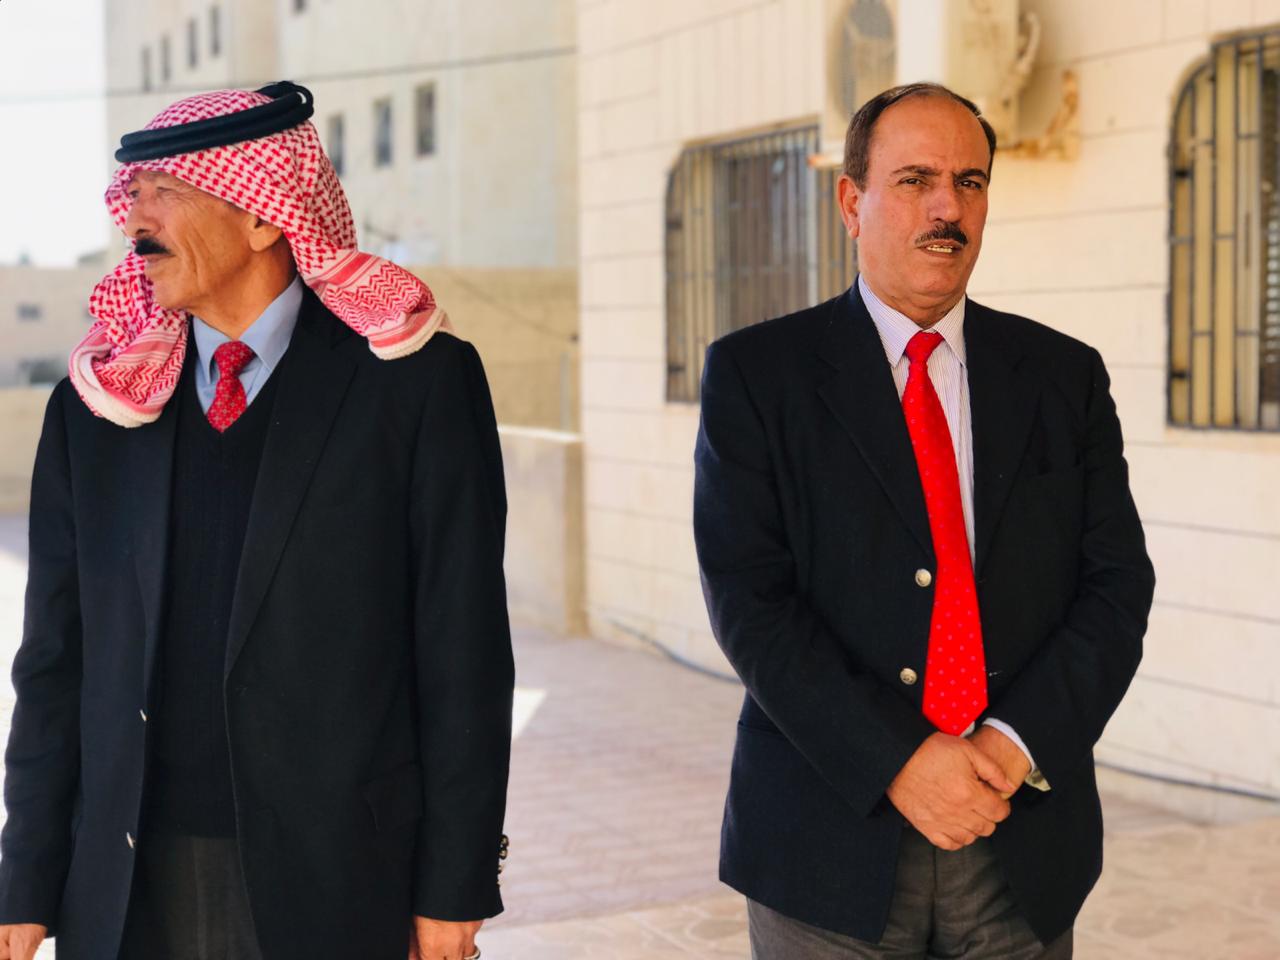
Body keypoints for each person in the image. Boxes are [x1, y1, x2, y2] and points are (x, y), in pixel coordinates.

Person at [0, 82, 513, 960]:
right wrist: (26, 878)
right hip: (124, 886)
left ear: (266, 216)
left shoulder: (415, 385)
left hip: (338, 879)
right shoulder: (95, 410)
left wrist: (454, 882)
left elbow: (462, 652)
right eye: (131, 195)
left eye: (165, 192)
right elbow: (56, 660)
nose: (135, 221)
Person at [693, 82, 1155, 959]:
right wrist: (900, 761)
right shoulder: (759, 376)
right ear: (850, 201)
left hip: (1017, 833)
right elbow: (750, 602)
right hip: (825, 841)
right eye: (914, 180)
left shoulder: (1064, 377)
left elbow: (1116, 587)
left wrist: (1012, 746)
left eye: (969, 182)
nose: (948, 208)